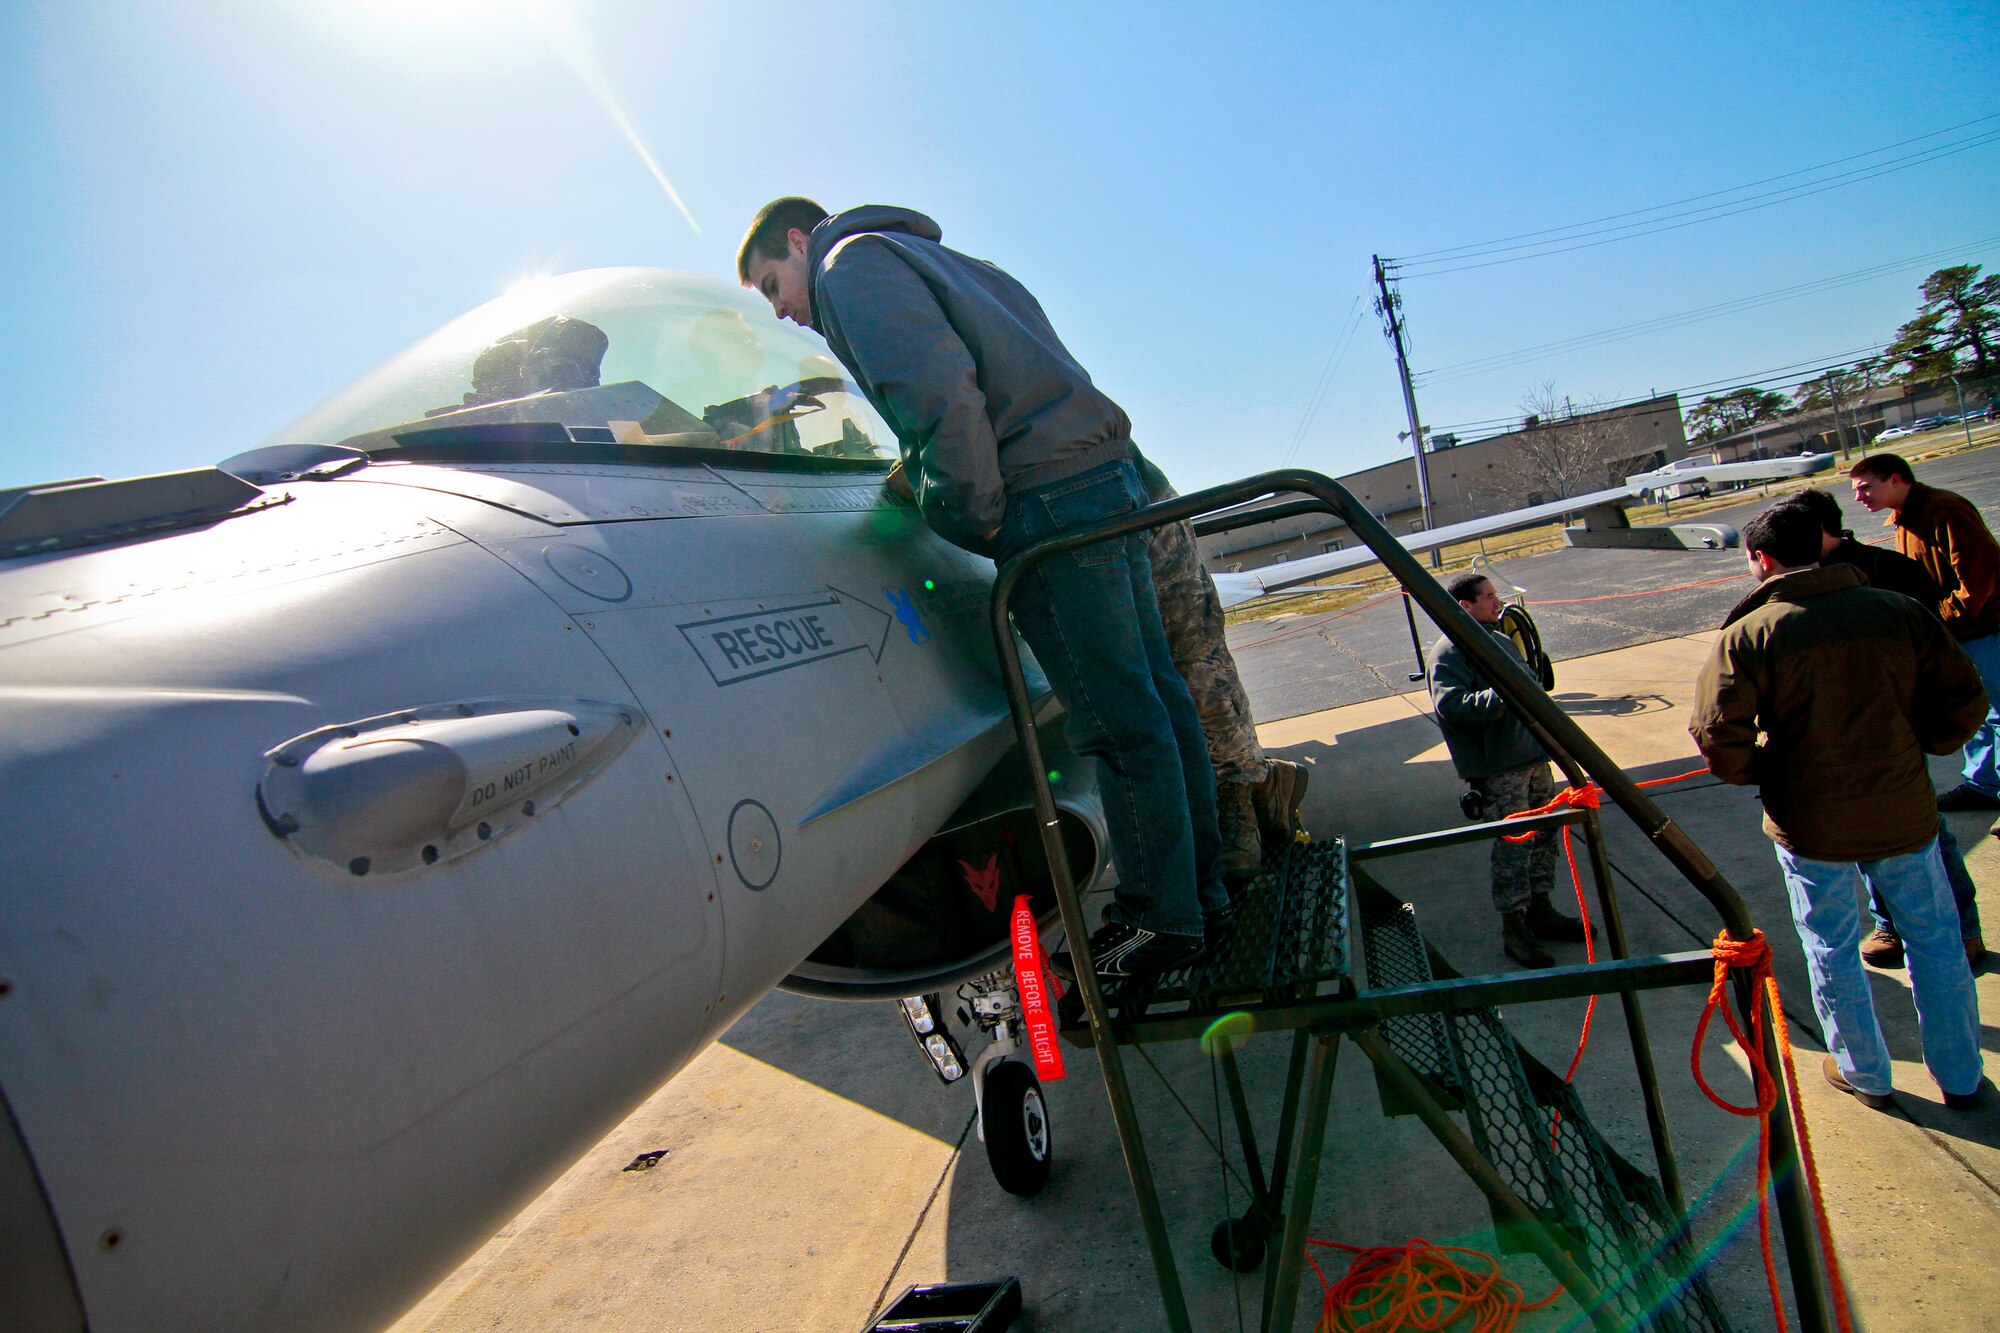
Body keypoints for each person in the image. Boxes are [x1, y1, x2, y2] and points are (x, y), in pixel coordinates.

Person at [737, 198, 1223, 989]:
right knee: (1158, 705)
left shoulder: (847, 267)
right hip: (1104, 478)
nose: (784, 310)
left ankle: (1159, 921)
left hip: (1049, 502)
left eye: (771, 284)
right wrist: (922, 466)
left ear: (799, 241)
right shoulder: (950, 260)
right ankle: (1203, 900)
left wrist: (970, 515)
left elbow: (942, 402)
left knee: (1118, 727)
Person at [1691, 501, 1987, 1110]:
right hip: (1903, 810)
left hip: (1810, 821)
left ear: (1762, 559)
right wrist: (1919, 746)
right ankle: (1961, 1076)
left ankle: (1865, 1073)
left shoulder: (1748, 635)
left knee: (1830, 944)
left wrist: (1771, 773)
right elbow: (1963, 696)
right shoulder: (1897, 612)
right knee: (1936, 940)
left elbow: (1719, 737)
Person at [1782, 487, 1983, 967]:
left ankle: (1964, 931)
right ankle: (1889, 925)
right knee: (1866, 844)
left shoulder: (1889, 575)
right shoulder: (1794, 595)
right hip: (1837, 751)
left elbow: (1948, 672)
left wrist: (1925, 735)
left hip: (1895, 743)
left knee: (1929, 838)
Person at [1131, 452, 1309, 884]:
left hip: (1132, 504)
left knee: (1196, 670)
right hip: (1055, 527)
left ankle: (1239, 792)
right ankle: (1265, 783)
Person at [1429, 572, 1590, 969]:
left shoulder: (1497, 641)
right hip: (1501, 768)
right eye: (1487, 597)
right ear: (1464, 606)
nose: (1495, 602)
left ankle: (1541, 909)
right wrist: (1504, 692)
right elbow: (1452, 706)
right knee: (1514, 845)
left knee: (1545, 837)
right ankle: (1515, 929)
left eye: (1495, 595)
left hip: (1531, 758)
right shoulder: (1450, 652)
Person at [1850, 453, 2000, 812]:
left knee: (1997, 712)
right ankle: (1983, 786)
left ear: (1896, 479)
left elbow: (1979, 577)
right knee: (1972, 712)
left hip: (1982, 630)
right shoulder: (1906, 520)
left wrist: (1941, 619)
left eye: (1866, 488)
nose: (1859, 497)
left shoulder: (1945, 509)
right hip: (1955, 633)